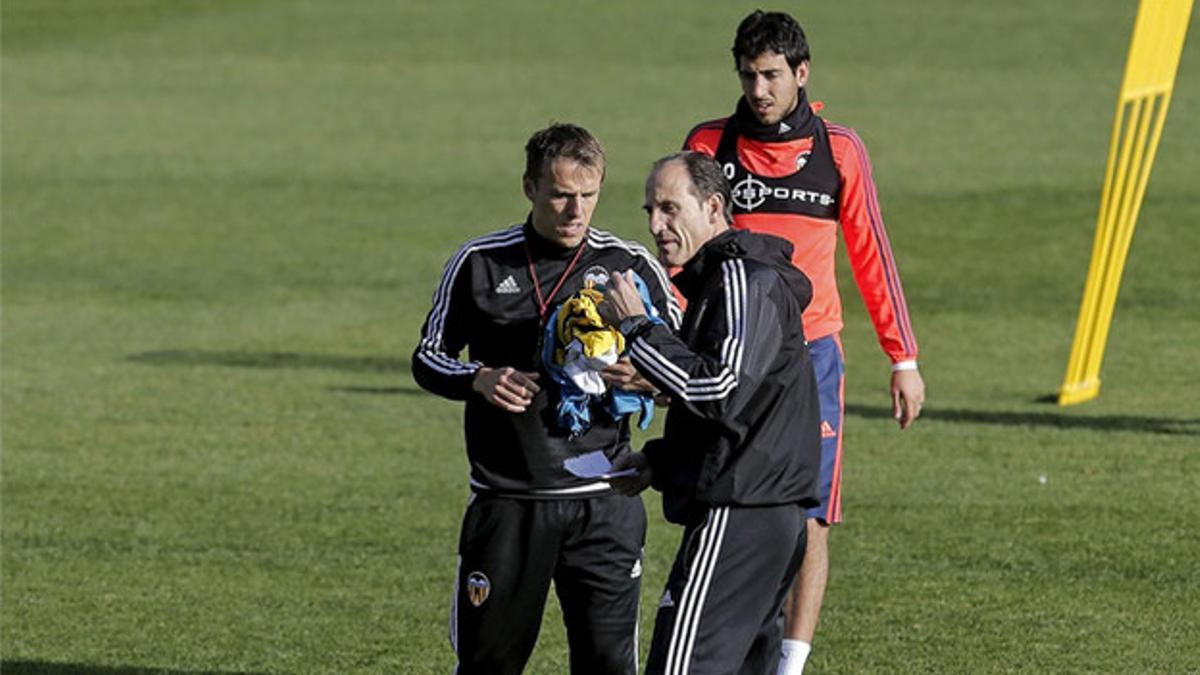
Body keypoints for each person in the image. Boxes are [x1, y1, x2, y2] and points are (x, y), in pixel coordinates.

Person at [681, 10, 927, 673]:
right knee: (718, 495)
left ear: (801, 73)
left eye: (770, 76)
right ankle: (731, 637)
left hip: (810, 359)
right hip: (725, 356)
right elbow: (683, 254)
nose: (757, 90)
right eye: (747, 75)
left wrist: (901, 357)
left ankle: (790, 662)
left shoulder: (838, 149)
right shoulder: (708, 145)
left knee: (808, 514)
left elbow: (872, 251)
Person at [411, 123, 682, 675]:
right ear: (530, 187)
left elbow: (692, 371)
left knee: (609, 665)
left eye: (588, 194)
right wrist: (478, 379)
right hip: (510, 502)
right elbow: (428, 357)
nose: (575, 210)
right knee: (489, 664)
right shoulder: (480, 262)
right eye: (560, 194)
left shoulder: (630, 266)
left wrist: (649, 379)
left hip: (605, 502)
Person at [605, 151, 822, 675]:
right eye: (650, 211)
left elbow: (720, 390)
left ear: (713, 207)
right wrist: (662, 461)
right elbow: (736, 408)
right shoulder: (725, 281)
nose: (657, 226)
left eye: (670, 209)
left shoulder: (743, 279)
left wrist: (639, 329)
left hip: (742, 512)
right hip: (760, 510)